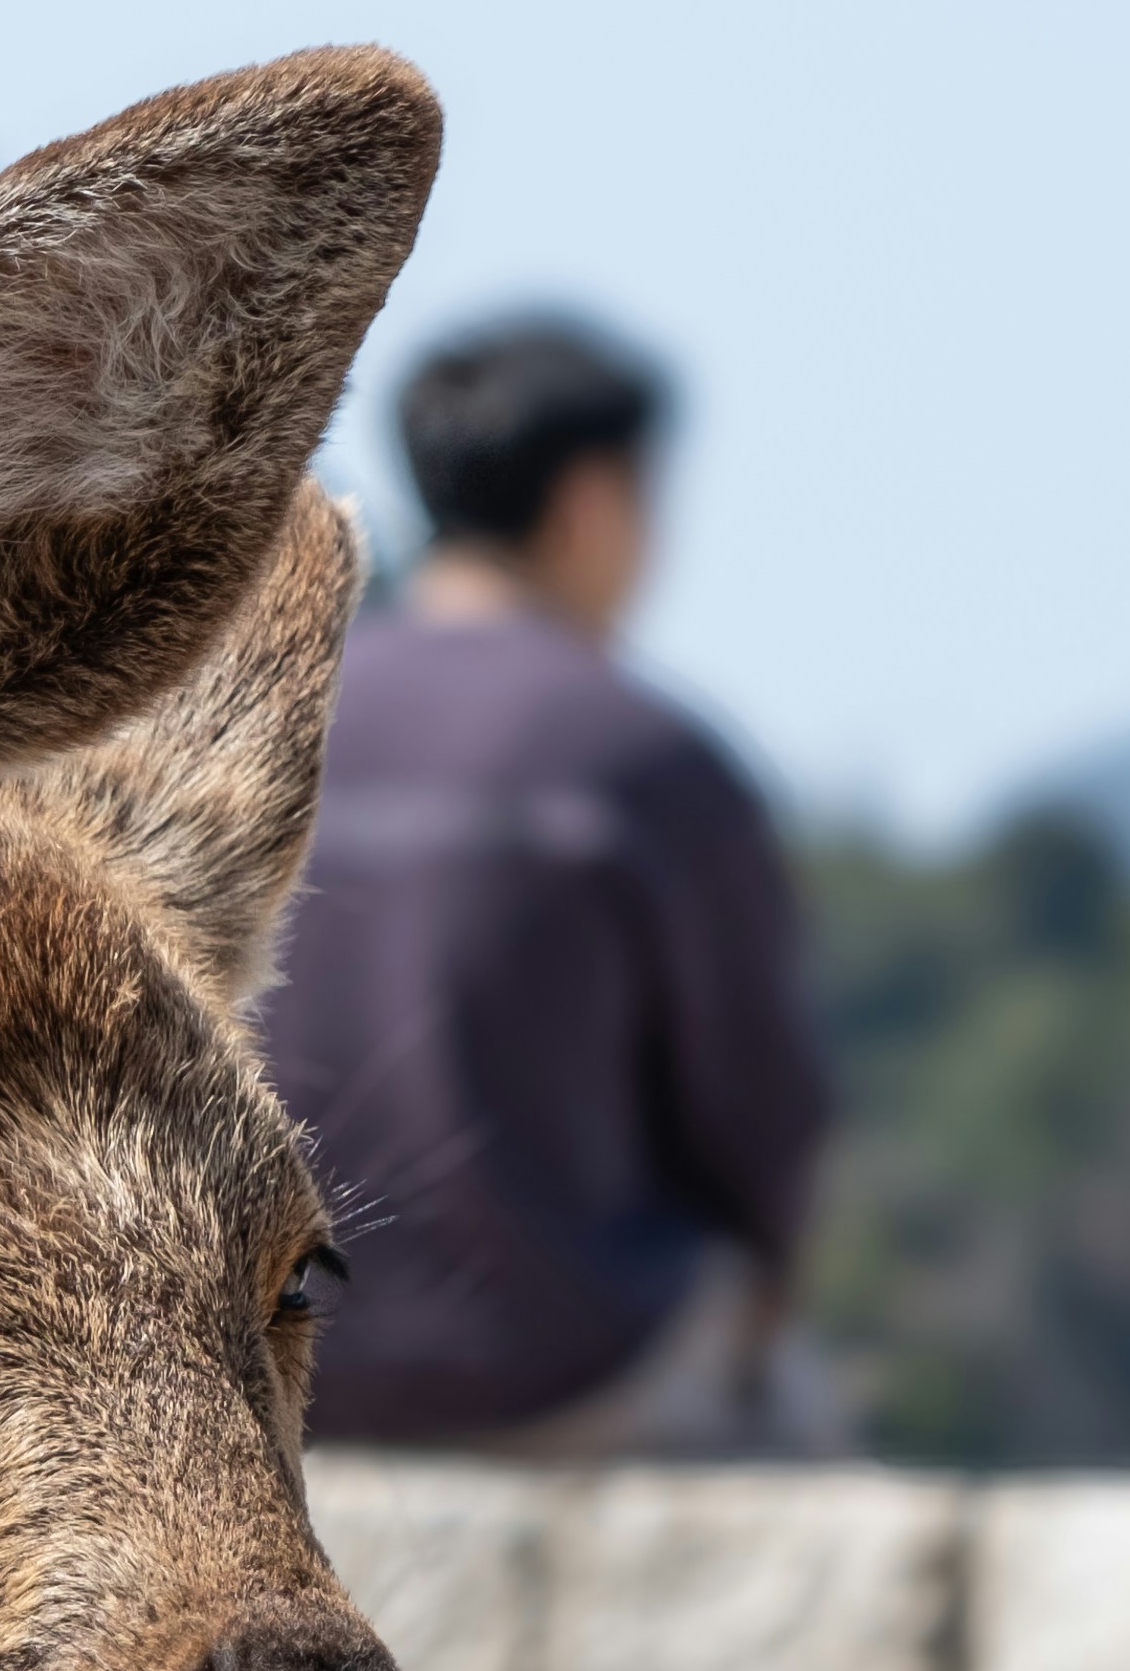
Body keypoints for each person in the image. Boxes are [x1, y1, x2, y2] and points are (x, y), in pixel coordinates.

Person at [258, 317, 837, 1457]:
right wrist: (764, 1288)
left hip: (268, 1349)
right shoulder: (646, 755)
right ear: (589, 506)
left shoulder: (270, 726)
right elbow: (760, 1112)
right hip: (569, 1363)